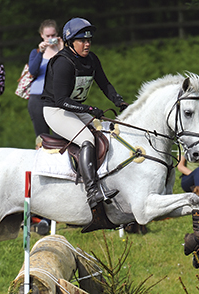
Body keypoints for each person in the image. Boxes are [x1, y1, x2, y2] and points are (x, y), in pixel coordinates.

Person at [42, 17, 128, 211]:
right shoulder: (63, 63)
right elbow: (61, 100)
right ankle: (92, 192)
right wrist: (89, 109)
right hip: (56, 110)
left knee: (108, 132)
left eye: (89, 40)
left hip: (74, 108)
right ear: (70, 42)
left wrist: (119, 101)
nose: (87, 44)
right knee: (87, 139)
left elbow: (104, 84)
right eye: (82, 40)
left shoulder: (91, 59)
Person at [27, 19, 64, 138]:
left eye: (53, 35)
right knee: (42, 137)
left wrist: (62, 50)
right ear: (41, 35)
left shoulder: (63, 52)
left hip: (56, 97)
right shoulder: (36, 52)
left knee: (60, 135)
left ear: (57, 35)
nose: (50, 38)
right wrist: (41, 53)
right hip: (37, 97)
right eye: (47, 36)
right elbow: (32, 71)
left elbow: (68, 71)